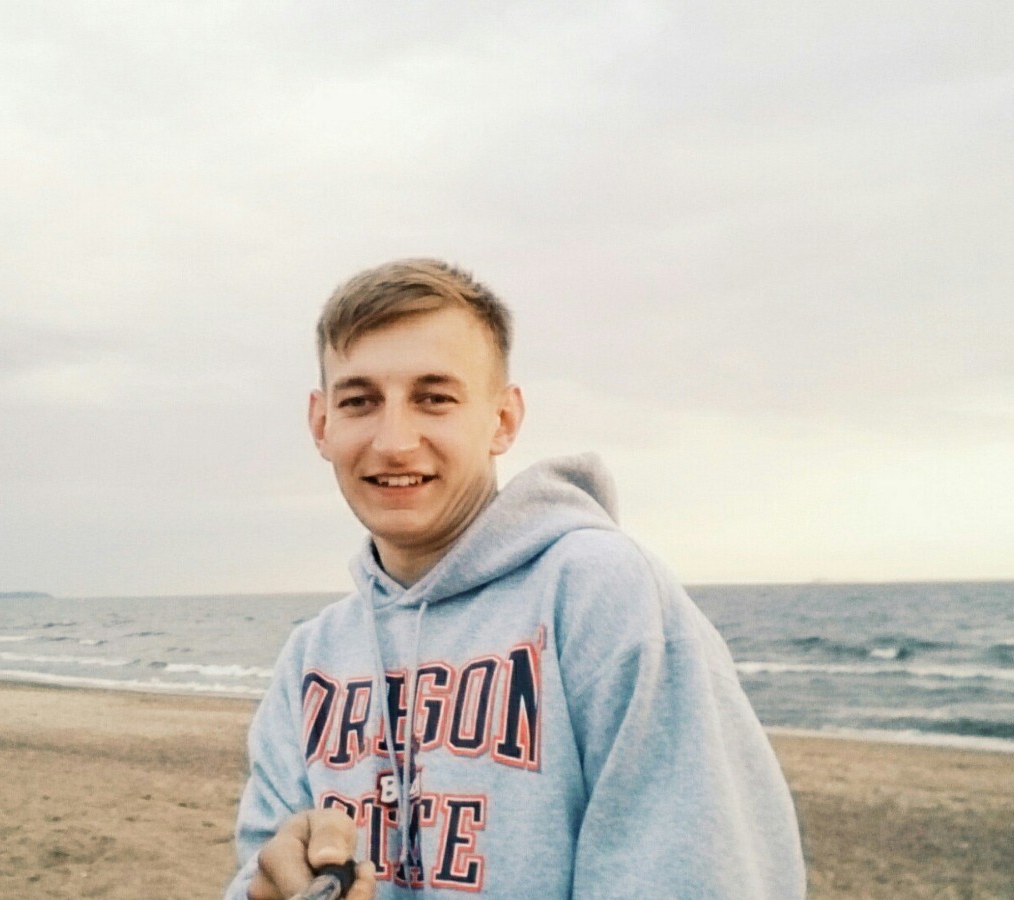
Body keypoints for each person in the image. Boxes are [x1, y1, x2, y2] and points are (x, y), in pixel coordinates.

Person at [224, 259, 805, 899]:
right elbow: (257, 871)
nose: (393, 442)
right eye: (360, 401)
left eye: (434, 398)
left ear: (502, 420)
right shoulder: (311, 658)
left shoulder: (600, 594)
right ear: (321, 424)